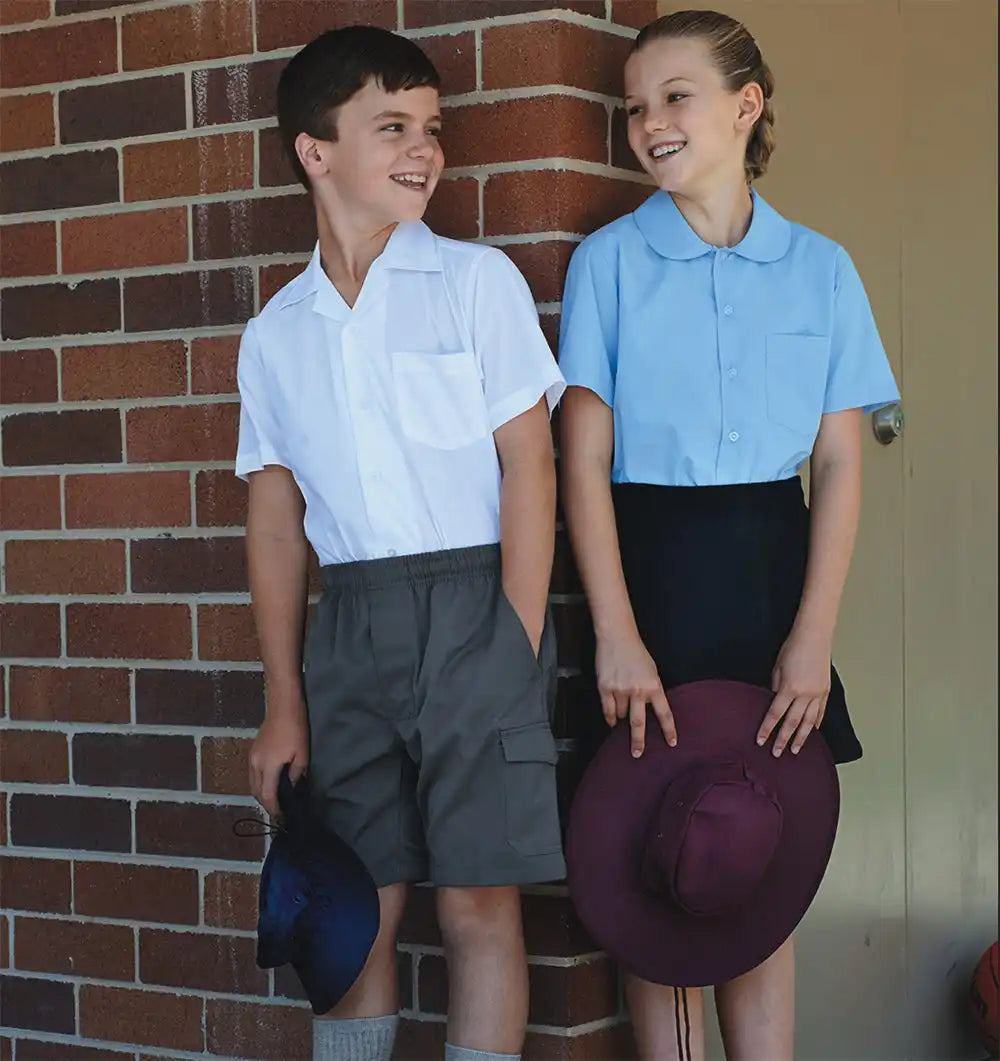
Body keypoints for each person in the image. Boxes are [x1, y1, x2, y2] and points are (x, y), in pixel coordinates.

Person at [558, 10, 899, 1060]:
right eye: (632, 107)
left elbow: (838, 461)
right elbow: (580, 457)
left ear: (745, 107)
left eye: (675, 97)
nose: (649, 123)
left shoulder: (822, 269)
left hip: (771, 573)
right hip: (648, 569)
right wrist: (614, 630)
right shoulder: (607, 262)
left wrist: (810, 635)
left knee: (756, 847)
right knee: (655, 851)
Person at [236, 26, 566, 1061]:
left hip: (477, 610)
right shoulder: (275, 331)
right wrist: (283, 698)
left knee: (475, 903)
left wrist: (510, 640)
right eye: (393, 128)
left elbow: (531, 464)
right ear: (315, 151)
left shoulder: (475, 283)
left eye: (432, 128)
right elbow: (278, 520)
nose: (424, 149)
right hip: (351, 630)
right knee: (352, 907)